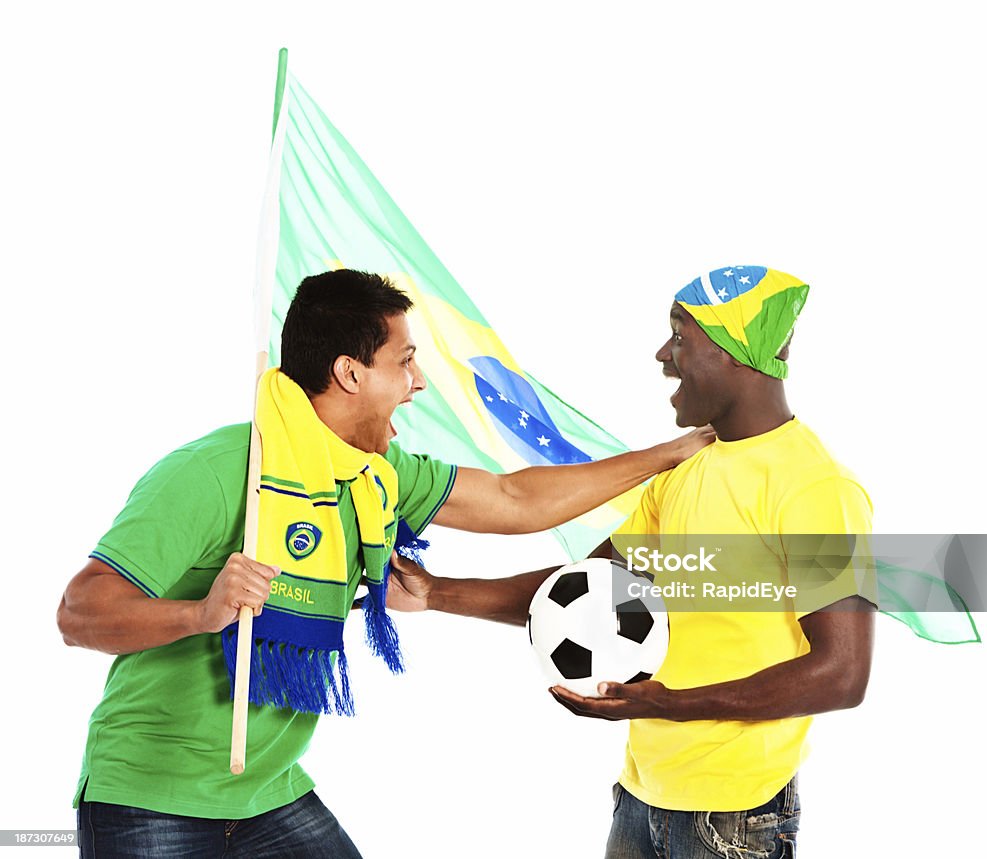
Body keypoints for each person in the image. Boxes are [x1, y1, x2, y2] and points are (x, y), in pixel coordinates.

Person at [56, 269, 714, 859]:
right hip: (149, 797)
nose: (418, 381)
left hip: (266, 792)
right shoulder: (218, 473)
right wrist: (201, 612)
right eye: (404, 361)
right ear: (349, 373)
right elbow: (79, 612)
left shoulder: (375, 474)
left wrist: (670, 454)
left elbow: (515, 500)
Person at [386, 265, 875, 859]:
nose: (663, 354)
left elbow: (843, 673)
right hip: (643, 799)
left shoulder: (815, 487)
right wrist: (437, 593)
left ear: (734, 353)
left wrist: (670, 704)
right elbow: (587, 590)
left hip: (737, 815)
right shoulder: (686, 472)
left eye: (681, 335)